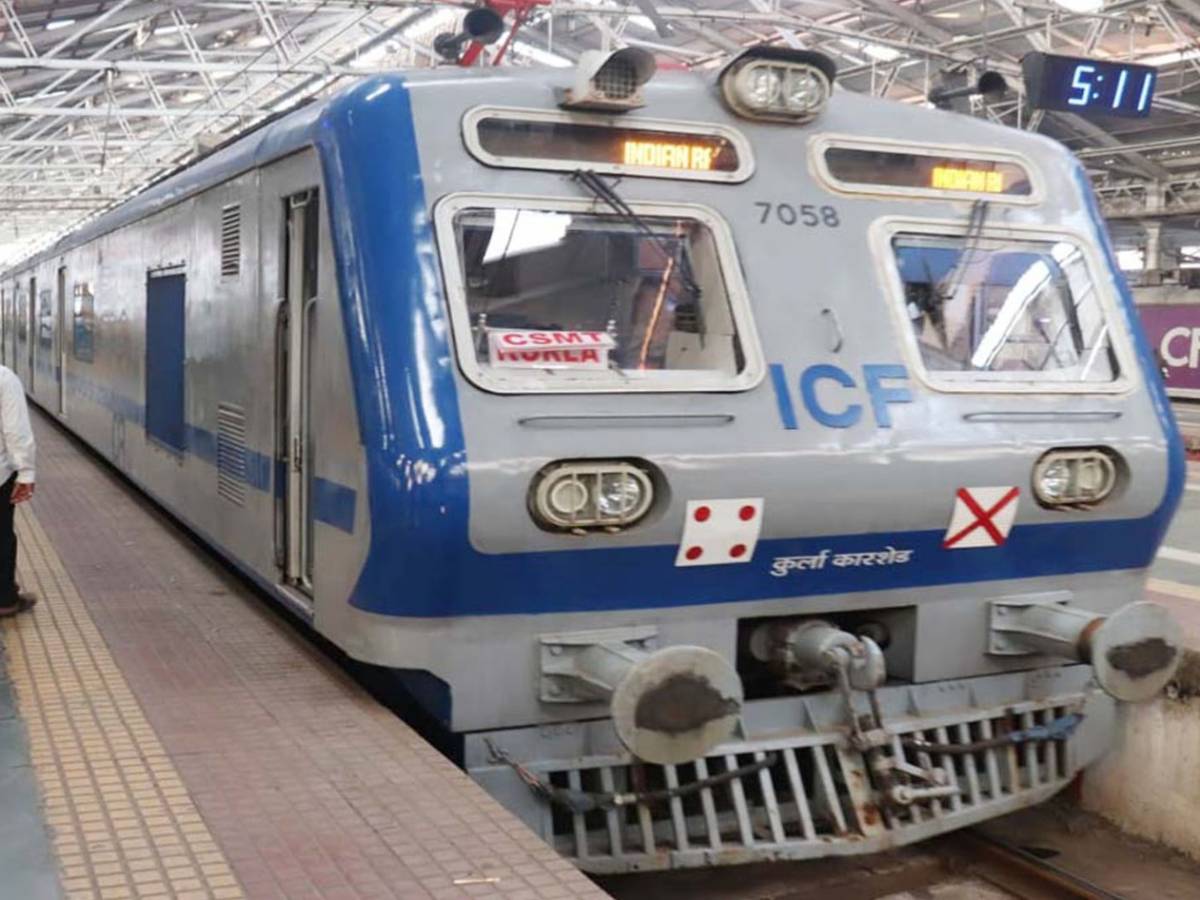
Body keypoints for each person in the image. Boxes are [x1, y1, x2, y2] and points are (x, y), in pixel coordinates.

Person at [0, 364, 36, 618]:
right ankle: (4, 599)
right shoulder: (4, 379)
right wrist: (26, 472)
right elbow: (15, 431)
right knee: (2, 536)